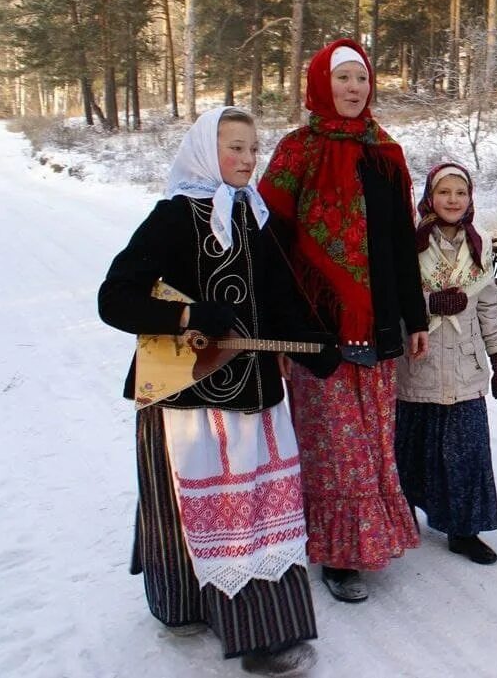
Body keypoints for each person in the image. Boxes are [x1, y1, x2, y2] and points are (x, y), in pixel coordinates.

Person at [99, 106, 339, 676]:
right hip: (189, 401)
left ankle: (260, 632)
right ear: (207, 150)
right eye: (235, 147)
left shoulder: (252, 217)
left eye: (254, 149)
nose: (247, 159)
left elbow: (279, 295)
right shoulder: (173, 218)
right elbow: (115, 298)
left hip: (252, 394)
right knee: (203, 504)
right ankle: (192, 606)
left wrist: (315, 341)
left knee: (252, 508)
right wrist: (186, 315)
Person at [258, 39, 428, 603]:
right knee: (335, 446)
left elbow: (403, 243)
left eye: (362, 78)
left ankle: (368, 540)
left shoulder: (386, 152)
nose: (354, 89)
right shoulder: (295, 152)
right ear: (320, 85)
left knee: (374, 440)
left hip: (378, 324)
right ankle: (337, 555)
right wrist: (277, 328)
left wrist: (415, 315)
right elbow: (270, 246)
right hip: (316, 328)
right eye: (343, 79)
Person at [394, 162, 497, 565]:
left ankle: (464, 529)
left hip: (465, 368)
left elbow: (489, 305)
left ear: (470, 198)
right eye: (445, 192)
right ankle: (403, 514)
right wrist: (427, 304)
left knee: (468, 452)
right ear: (430, 197)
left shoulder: (480, 247)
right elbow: (393, 300)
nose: (453, 200)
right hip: (419, 367)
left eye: (460, 193)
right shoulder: (410, 246)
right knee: (413, 448)